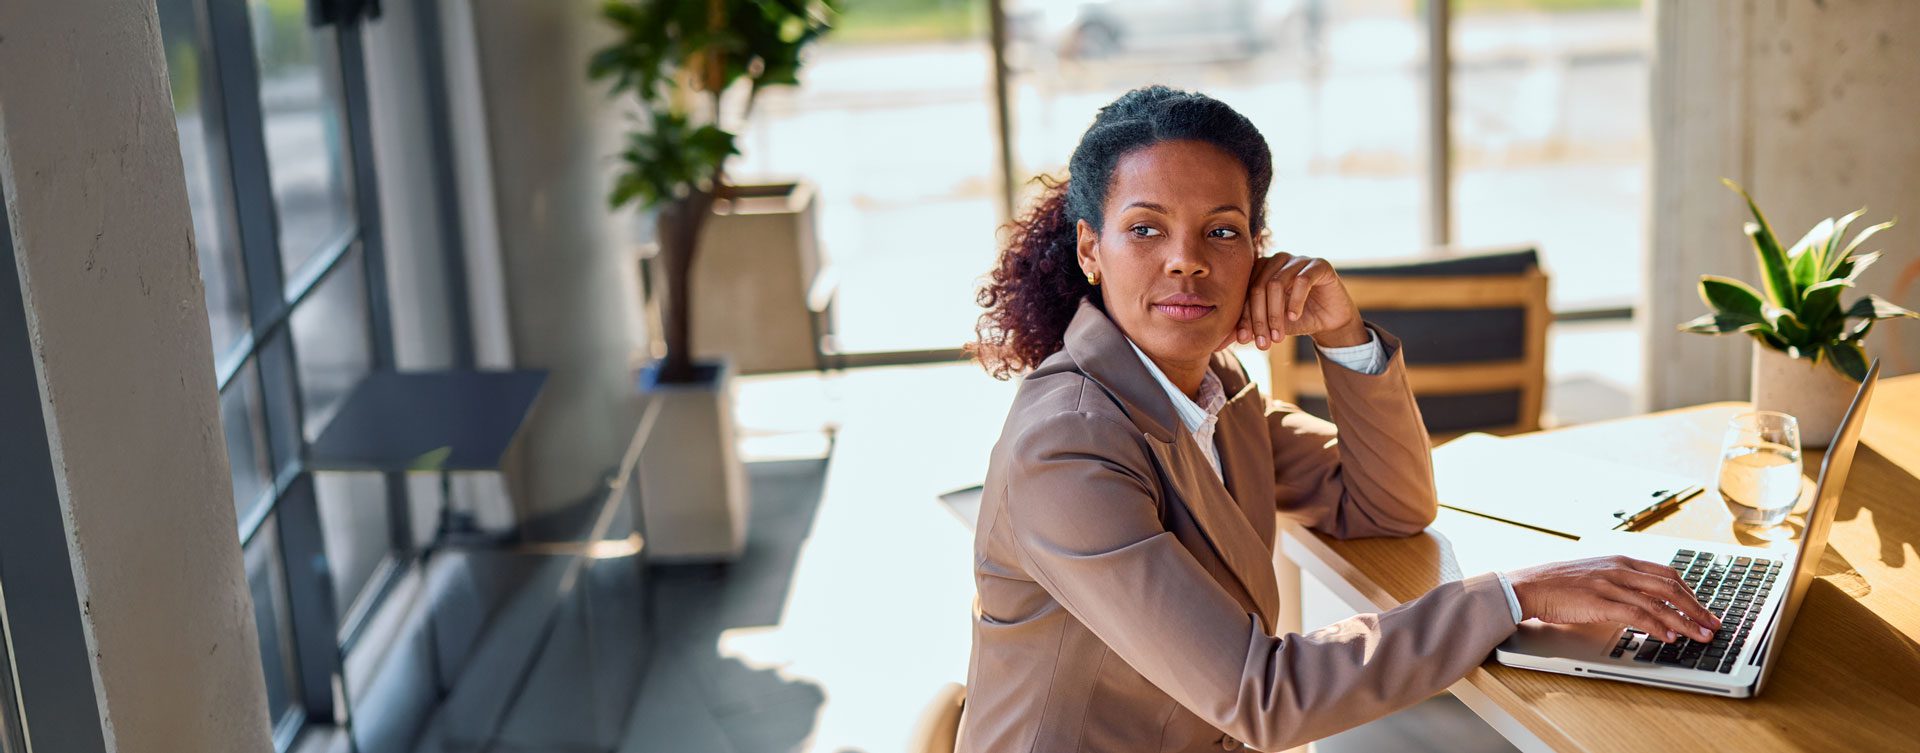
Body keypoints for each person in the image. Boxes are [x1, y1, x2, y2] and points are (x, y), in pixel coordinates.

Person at [958, 86, 1718, 752]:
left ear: (1259, 251)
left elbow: (1389, 506)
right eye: (1146, 229)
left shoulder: (1209, 388)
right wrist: (1518, 594)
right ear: (1091, 247)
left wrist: (1344, 334)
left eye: (1221, 231)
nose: (1186, 260)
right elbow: (1266, 695)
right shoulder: (1068, 445)